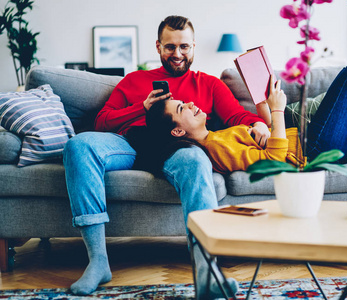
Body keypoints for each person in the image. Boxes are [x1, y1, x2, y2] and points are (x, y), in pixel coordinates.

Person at [62, 15, 269, 298]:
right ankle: (98, 262)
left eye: (184, 47)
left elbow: (238, 116)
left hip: (177, 149)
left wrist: (258, 122)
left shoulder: (208, 84)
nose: (178, 54)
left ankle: (207, 271)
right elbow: (102, 122)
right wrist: (142, 107)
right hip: (130, 143)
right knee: (78, 146)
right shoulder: (135, 80)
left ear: (193, 47)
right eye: (170, 47)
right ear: (158, 47)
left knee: (198, 162)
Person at [127, 63, 347, 178]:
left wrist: (259, 122)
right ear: (177, 129)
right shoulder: (215, 148)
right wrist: (274, 112)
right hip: (314, 151)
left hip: (306, 137)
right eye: (183, 108)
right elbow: (275, 162)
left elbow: (263, 145)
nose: (191, 103)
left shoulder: (217, 134)